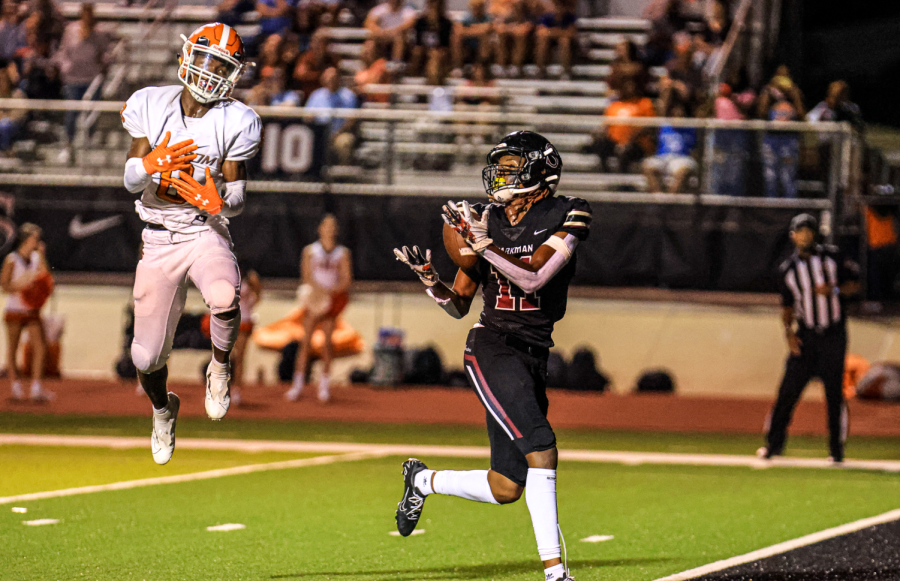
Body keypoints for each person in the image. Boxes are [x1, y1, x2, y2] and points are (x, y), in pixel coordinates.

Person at [393, 131, 589, 581]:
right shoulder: (485, 219)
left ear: (540, 171)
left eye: (510, 165)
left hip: (535, 352)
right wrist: (429, 279)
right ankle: (556, 573)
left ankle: (421, 481)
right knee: (542, 449)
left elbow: (535, 278)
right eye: (498, 166)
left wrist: (484, 246)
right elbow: (459, 305)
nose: (499, 175)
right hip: (492, 347)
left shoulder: (568, 212)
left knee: (505, 487)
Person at [121, 23, 262, 465]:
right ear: (187, 56)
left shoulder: (237, 119)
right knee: (145, 357)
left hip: (203, 228)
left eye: (219, 65)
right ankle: (163, 411)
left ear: (233, 74)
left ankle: (219, 368)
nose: (207, 71)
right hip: (158, 236)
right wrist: (149, 164)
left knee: (223, 294)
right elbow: (129, 180)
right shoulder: (151, 101)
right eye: (204, 58)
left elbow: (237, 196)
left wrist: (219, 202)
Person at [758, 214, 860, 463]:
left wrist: (834, 290)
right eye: (800, 232)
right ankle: (773, 445)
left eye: (808, 231)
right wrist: (789, 334)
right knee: (787, 392)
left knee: (834, 394)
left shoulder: (833, 258)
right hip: (806, 335)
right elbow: (787, 307)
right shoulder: (788, 270)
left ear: (815, 234)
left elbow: (855, 285)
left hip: (833, 334)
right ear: (792, 236)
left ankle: (836, 449)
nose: (804, 236)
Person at [285, 214, 352, 403]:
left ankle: (323, 386)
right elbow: (306, 276)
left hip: (331, 302)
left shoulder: (342, 253)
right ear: (320, 228)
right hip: (314, 302)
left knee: (327, 343)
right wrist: (318, 294)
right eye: (326, 225)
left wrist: (331, 293)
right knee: (305, 342)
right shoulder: (310, 251)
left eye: (333, 226)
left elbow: (346, 279)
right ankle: (297, 384)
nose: (329, 229)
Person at [1, 223, 53, 401]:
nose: (37, 242)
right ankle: (15, 386)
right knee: (13, 347)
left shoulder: (36, 258)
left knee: (40, 346)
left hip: (31, 310)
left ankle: (36, 387)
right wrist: (21, 286)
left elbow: (46, 276)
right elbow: (5, 285)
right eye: (35, 238)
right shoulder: (12, 259)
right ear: (27, 239)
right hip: (15, 309)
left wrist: (42, 255)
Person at [53, 3, 109, 162]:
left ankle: (89, 144)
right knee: (71, 113)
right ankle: (68, 145)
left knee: (91, 112)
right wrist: (65, 68)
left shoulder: (100, 33)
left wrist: (103, 65)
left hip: (91, 80)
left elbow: (105, 55)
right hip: (72, 79)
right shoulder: (71, 30)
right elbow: (63, 52)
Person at [586, 77, 656, 173]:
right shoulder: (614, 106)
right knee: (600, 144)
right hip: (615, 141)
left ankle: (623, 182)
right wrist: (599, 132)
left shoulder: (644, 103)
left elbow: (649, 125)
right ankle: (605, 172)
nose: (628, 89)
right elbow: (606, 125)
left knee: (626, 153)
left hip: (636, 143)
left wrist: (629, 141)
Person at [757, 65, 805, 198]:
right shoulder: (769, 94)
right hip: (771, 140)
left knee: (787, 176)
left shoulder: (794, 95)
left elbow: (801, 115)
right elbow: (761, 113)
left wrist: (795, 95)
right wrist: (768, 94)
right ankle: (771, 205)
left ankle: (789, 206)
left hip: (789, 141)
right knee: (770, 176)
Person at [642, 100, 697, 193]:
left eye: (680, 114)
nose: (678, 115)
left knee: (683, 172)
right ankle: (658, 197)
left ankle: (670, 200)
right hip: (663, 157)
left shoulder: (691, 128)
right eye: (675, 114)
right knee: (648, 167)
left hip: (681, 158)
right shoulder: (663, 126)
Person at [305, 67, 358, 165]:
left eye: (333, 78)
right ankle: (312, 174)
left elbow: (351, 120)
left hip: (340, 133)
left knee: (345, 142)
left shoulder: (348, 96)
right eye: (328, 78)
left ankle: (342, 175)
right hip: (319, 133)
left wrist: (336, 134)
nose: (331, 80)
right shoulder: (316, 95)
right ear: (323, 79)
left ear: (339, 79)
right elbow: (307, 117)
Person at [230, 267, 261, 406]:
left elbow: (257, 298)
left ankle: (236, 390)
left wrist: (257, 287)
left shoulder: (249, 281)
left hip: (243, 320)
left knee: (240, 357)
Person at [364, 0, 416, 65]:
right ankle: (371, 67)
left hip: (401, 40)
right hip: (383, 38)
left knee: (399, 38)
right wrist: (381, 32)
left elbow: (408, 24)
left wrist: (392, 32)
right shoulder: (380, 9)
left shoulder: (408, 11)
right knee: (370, 43)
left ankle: (396, 64)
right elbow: (369, 23)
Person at [409, 0, 452, 78]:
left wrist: (436, 25)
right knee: (417, 52)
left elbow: (446, 45)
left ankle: (434, 79)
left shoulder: (446, 23)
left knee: (435, 55)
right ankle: (412, 76)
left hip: (439, 51)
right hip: (423, 50)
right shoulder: (420, 21)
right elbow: (417, 42)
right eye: (431, 3)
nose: (434, 5)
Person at [292, 31, 338, 102]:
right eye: (316, 42)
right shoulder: (306, 57)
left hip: (327, 96)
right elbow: (300, 73)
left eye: (323, 43)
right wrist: (320, 75)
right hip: (307, 96)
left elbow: (334, 75)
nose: (318, 46)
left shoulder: (331, 59)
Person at [534, 0, 576, 79]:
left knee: (564, 41)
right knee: (542, 41)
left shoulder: (569, 17)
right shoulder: (547, 16)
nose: (558, 9)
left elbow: (571, 33)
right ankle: (541, 69)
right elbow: (540, 32)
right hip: (549, 41)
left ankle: (565, 70)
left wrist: (551, 32)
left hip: (567, 43)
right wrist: (559, 32)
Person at [450, 0, 492, 74]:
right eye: (474, 7)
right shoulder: (466, 18)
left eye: (479, 7)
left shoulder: (488, 18)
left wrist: (468, 30)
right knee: (456, 39)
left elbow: (486, 30)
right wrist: (477, 29)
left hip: (481, 47)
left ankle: (481, 66)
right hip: (467, 46)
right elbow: (458, 31)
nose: (476, 9)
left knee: (485, 38)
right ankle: (458, 67)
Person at [354, 39, 390, 104]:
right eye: (365, 47)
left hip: (378, 104)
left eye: (369, 48)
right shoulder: (362, 68)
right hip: (364, 103)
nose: (366, 50)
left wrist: (360, 87)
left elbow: (372, 83)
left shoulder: (381, 64)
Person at [0, 64, 26, 155]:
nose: (1, 83)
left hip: (15, 125)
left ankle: (4, 151)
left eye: (4, 80)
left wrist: (6, 118)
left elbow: (20, 113)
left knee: (4, 125)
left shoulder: (17, 94)